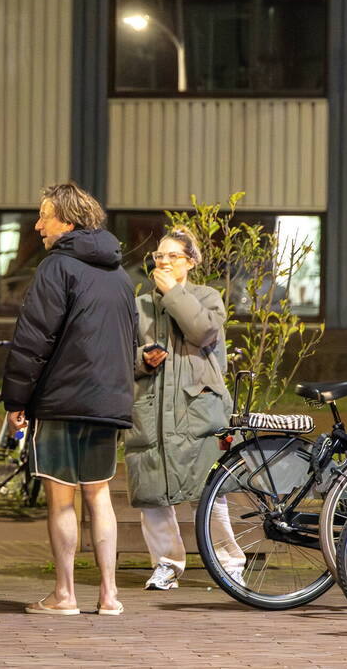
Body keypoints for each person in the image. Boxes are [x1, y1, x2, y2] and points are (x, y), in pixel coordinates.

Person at [1, 182, 136, 616]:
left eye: (44, 215)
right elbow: (130, 341)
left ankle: (64, 595)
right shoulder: (120, 274)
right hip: (107, 403)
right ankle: (110, 596)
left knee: (62, 498)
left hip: (61, 401)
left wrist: (16, 398)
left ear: (68, 220)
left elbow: (33, 339)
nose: (38, 224)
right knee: (99, 495)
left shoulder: (56, 268)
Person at [124, 227, 245, 591]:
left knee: (208, 493)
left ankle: (229, 562)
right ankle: (166, 564)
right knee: (152, 493)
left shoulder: (207, 297)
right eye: (159, 256)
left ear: (190, 262)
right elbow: (121, 355)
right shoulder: (140, 305)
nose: (163, 262)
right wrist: (143, 360)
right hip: (151, 410)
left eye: (173, 256)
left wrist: (172, 292)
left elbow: (202, 331)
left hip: (197, 410)